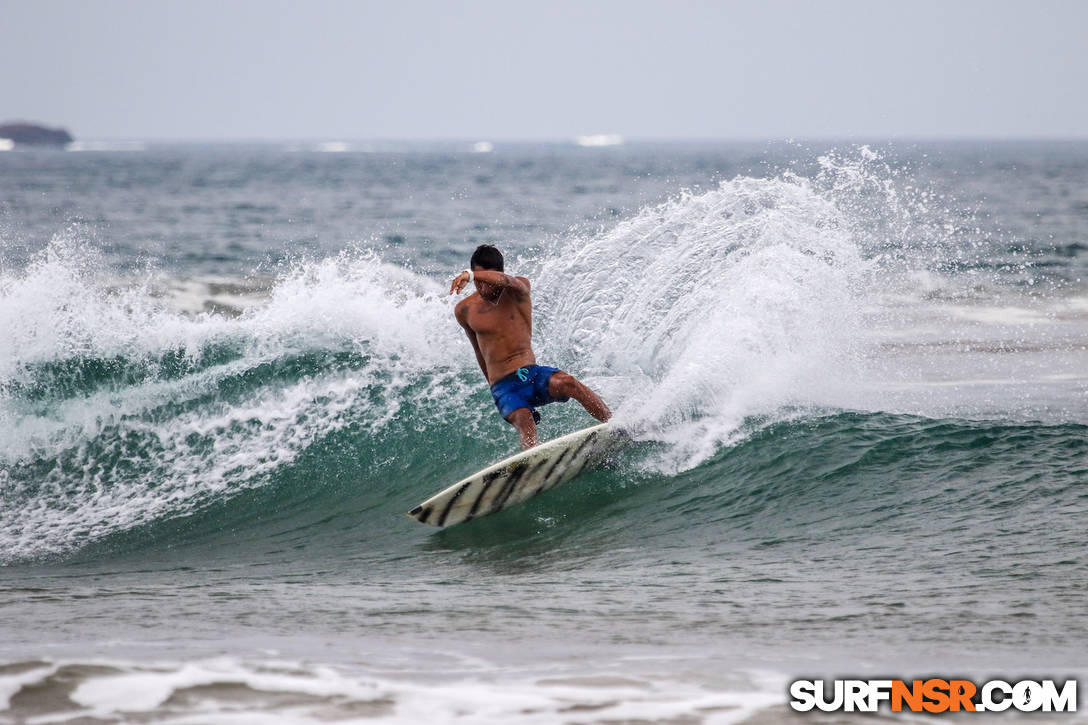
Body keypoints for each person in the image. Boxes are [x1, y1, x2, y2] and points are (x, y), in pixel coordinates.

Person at [450, 244, 611, 449]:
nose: (481, 288)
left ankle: (613, 424)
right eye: (477, 282)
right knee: (524, 419)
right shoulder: (464, 310)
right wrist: (492, 386)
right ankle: (533, 463)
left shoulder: (519, 290)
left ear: (497, 274)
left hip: (531, 375)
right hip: (504, 387)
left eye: (485, 280)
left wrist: (472, 275)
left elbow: (507, 280)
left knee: (569, 383)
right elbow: (478, 351)